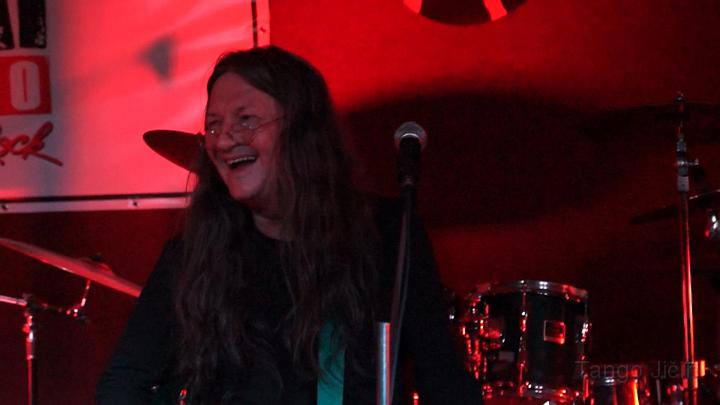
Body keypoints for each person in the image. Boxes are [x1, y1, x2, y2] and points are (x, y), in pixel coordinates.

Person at [96, 45, 482, 404]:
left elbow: (444, 382)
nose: (224, 140)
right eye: (213, 125)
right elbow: (124, 380)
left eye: (246, 120)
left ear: (300, 129)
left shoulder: (386, 236)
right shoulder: (193, 253)